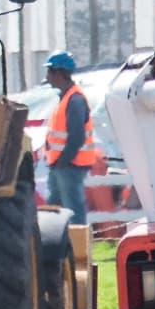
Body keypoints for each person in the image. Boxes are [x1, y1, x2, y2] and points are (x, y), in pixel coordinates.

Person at [37, 51, 99, 218]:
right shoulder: (66, 98)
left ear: (59, 72)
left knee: (73, 210)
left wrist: (63, 161)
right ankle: (56, 243)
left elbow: (76, 137)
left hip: (70, 165)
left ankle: (77, 242)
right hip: (61, 165)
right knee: (53, 210)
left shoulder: (75, 99)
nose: (47, 76)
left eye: (49, 71)